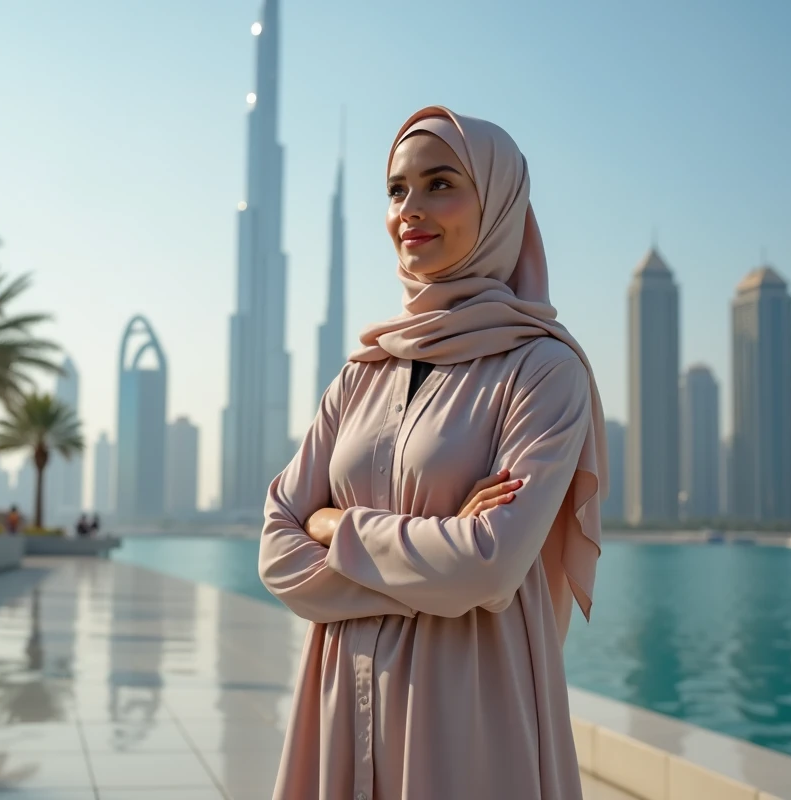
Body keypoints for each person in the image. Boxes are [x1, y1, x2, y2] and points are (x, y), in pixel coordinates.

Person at [258, 106, 607, 799]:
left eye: (440, 184)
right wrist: (435, 559)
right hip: (341, 699)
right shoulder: (361, 374)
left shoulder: (542, 370)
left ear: (498, 204)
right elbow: (276, 551)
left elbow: (488, 567)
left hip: (467, 707)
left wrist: (335, 526)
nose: (410, 209)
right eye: (396, 190)